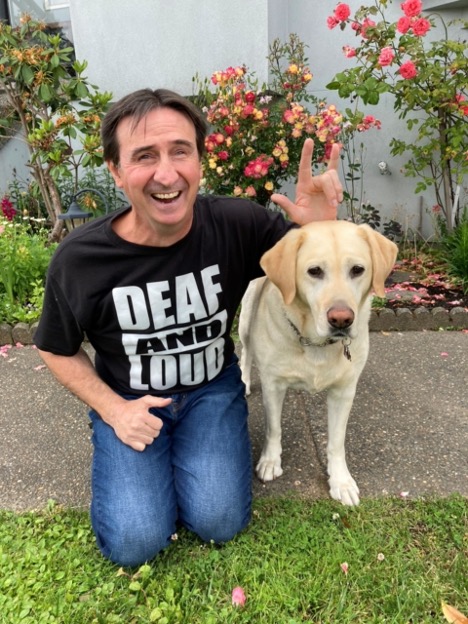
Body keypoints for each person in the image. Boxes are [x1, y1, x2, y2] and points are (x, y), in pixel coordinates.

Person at [34, 88, 343, 567]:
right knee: (136, 542)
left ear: (200, 161)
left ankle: (189, 457)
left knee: (219, 521)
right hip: (131, 399)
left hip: (210, 390)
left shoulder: (238, 224)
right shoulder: (82, 260)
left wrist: (320, 228)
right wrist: (114, 410)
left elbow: (312, 261)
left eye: (181, 151)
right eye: (144, 156)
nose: (166, 173)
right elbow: (56, 348)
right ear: (115, 171)